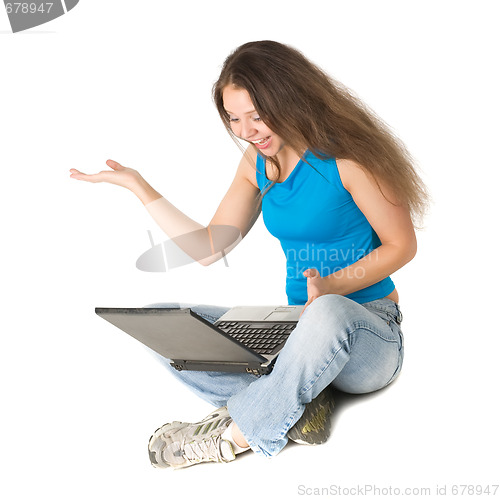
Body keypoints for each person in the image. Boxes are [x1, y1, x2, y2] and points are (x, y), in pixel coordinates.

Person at [69, 40, 429, 469]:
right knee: (162, 320)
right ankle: (299, 401)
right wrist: (138, 186)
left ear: (291, 100)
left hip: (367, 333)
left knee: (329, 311)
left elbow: (402, 245)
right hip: (297, 335)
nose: (245, 130)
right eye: (235, 119)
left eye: (257, 116)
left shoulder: (349, 160)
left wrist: (333, 286)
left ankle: (230, 436)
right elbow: (209, 247)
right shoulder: (259, 162)